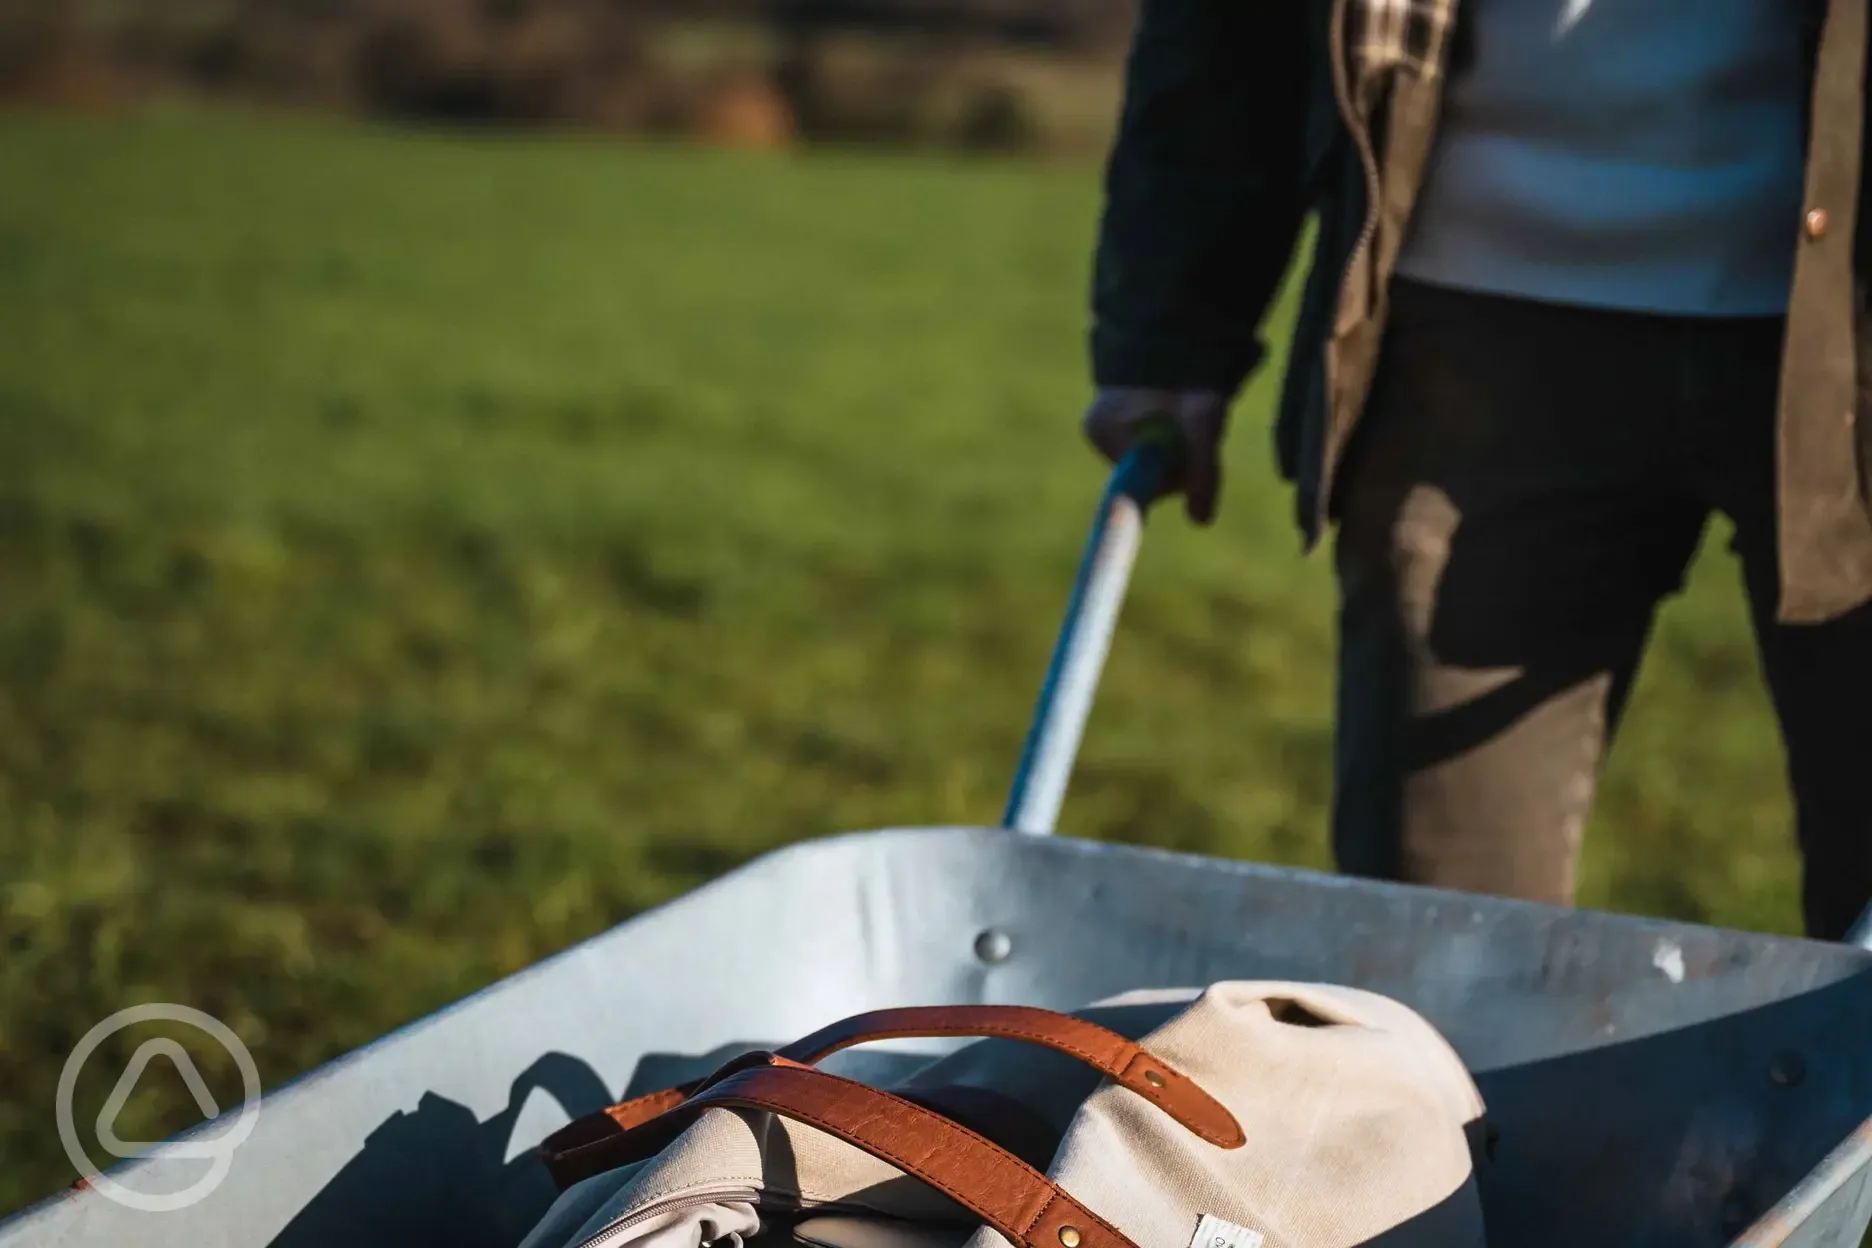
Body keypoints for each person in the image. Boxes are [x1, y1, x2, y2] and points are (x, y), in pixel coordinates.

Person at [1080, 0, 1872, 940]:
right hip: (1468, 322)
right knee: (1439, 931)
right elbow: (1225, 32)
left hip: (1847, 312)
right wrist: (1169, 336)